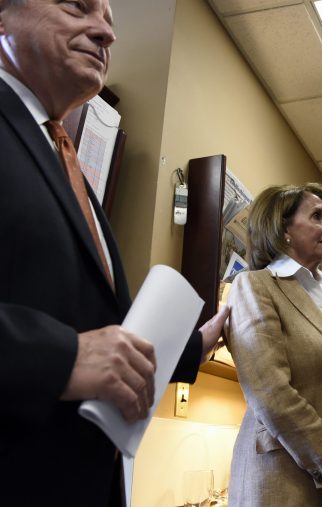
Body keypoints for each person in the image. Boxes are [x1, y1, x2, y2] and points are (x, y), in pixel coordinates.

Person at [0, 1, 228, 505]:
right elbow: (77, 350)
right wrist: (60, 358)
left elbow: (90, 320)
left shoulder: (67, 160)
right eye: (76, 6)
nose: (106, 32)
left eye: (110, 19)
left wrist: (199, 342)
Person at [226, 183, 322, 507]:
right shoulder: (253, 286)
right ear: (283, 230)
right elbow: (270, 392)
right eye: (317, 216)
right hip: (282, 482)